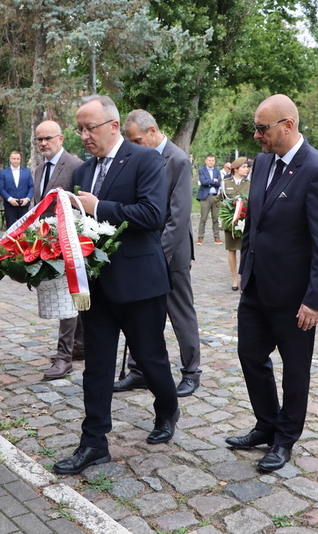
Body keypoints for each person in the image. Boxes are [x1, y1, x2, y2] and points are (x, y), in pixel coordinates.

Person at [52, 95, 179, 475]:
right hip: (97, 285)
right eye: (80, 129)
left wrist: (98, 207)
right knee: (97, 365)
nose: (84, 135)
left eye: (89, 127)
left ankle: (168, 406)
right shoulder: (82, 172)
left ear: (112, 125)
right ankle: (93, 442)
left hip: (140, 283)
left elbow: (153, 215)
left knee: (151, 359)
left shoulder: (145, 160)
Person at [226, 94, 318, 472]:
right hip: (257, 285)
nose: (257, 135)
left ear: (288, 126)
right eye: (256, 128)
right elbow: (258, 224)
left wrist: (316, 300)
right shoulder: (262, 163)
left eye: (263, 128)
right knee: (250, 356)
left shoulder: (317, 169)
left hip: (295, 296)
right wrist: (246, 274)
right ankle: (266, 423)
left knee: (295, 369)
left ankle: (285, 438)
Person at [115, 109, 202, 397]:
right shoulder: (139, 158)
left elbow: (178, 217)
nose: (134, 147)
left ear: (152, 131)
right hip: (144, 251)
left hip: (171, 254)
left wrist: (158, 257)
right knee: (141, 315)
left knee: (180, 313)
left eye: (138, 140)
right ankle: (138, 370)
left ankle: (191, 372)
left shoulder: (177, 160)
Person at [32, 120, 85, 380]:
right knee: (72, 297)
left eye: (48, 138)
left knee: (68, 297)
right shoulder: (40, 169)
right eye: (39, 139)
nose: (43, 143)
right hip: (47, 242)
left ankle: (64, 356)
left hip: (71, 241)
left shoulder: (75, 166)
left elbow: (80, 204)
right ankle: (79, 345)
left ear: (61, 139)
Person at [221, 157, 251, 291]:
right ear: (236, 169)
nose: (247, 169)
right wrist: (226, 212)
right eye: (244, 167)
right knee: (232, 250)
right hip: (231, 223)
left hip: (246, 222)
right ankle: (234, 279)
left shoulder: (250, 183)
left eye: (247, 167)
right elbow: (219, 200)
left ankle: (244, 278)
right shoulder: (225, 183)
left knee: (246, 251)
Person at [0, 151, 33, 229]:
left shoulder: (27, 172)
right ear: (10, 159)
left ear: (20, 159)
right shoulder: (3, 173)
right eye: (14, 158)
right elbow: (1, 188)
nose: (16, 160)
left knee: (24, 228)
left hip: (24, 204)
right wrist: (10, 199)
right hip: (10, 205)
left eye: (18, 159)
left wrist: (27, 199)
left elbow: (31, 187)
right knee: (11, 228)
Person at [196, 154, 222, 245]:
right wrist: (213, 180)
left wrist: (211, 181)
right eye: (209, 160)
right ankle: (200, 238)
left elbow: (219, 182)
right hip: (205, 196)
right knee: (203, 218)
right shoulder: (201, 170)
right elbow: (203, 182)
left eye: (213, 160)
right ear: (206, 161)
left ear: (214, 161)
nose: (211, 162)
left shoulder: (217, 170)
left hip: (215, 196)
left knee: (215, 218)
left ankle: (217, 237)